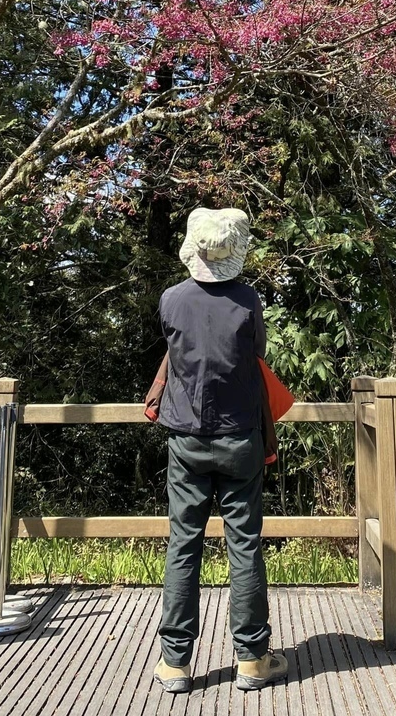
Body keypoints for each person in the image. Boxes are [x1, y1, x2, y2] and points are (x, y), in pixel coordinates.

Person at [152, 206, 287, 694]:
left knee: (183, 543)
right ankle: (252, 657)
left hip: (187, 437)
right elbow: (257, 356)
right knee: (245, 543)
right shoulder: (248, 301)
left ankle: (174, 663)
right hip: (240, 438)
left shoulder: (171, 299)